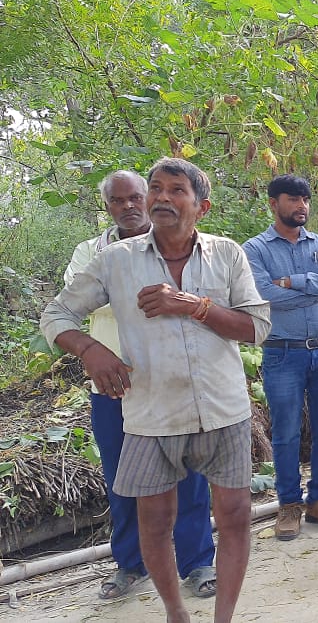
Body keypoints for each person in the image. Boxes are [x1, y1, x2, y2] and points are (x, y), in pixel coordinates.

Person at [41, 157, 270, 623]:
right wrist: (90, 350)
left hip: (224, 410)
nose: (161, 197)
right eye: (156, 189)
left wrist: (192, 305)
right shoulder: (116, 262)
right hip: (151, 414)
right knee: (155, 520)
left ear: (201, 206)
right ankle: (176, 614)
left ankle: (223, 617)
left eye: (176, 190)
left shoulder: (227, 254)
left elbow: (256, 327)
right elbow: (55, 316)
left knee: (234, 516)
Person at [62, 170, 216, 600]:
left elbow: (195, 299)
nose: (128, 206)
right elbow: (74, 305)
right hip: (113, 388)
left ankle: (199, 562)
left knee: (189, 474)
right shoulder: (88, 251)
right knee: (123, 479)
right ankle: (130, 564)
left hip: (175, 381)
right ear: (107, 206)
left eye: (135, 197)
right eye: (118, 200)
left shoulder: (179, 242)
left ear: (148, 198)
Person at [242, 175, 318, 541]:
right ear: (273, 203)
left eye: (305, 199)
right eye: (293, 199)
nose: (302, 206)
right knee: (286, 434)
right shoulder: (255, 249)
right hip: (282, 352)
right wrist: (315, 284)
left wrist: (291, 282)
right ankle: (288, 505)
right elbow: (262, 294)